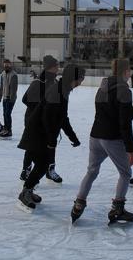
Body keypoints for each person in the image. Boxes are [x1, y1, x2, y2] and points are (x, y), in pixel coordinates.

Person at [71, 58, 133, 225]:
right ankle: (118, 208)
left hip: (95, 136)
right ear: (125, 72)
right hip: (112, 139)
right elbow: (125, 123)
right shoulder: (124, 91)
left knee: (92, 172)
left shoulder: (102, 88)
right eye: (129, 71)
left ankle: (79, 203)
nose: (130, 74)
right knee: (126, 173)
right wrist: (130, 148)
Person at [17, 64, 84, 212]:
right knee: (42, 165)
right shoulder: (58, 91)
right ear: (74, 78)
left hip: (40, 133)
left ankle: (28, 190)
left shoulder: (62, 90)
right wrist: (51, 141)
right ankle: (25, 192)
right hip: (37, 133)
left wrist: (72, 137)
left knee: (42, 164)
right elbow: (48, 118)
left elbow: (62, 118)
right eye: (81, 78)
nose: (81, 82)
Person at [19, 55, 77, 183]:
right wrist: (42, 110)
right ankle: (26, 169)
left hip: (49, 121)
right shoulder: (39, 82)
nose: (58, 68)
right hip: (33, 120)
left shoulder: (56, 83)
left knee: (51, 143)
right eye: (57, 65)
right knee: (32, 146)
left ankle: (50, 170)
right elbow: (25, 99)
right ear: (51, 67)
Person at [0, 59, 18, 138]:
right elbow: (2, 86)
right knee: (4, 114)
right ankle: (5, 128)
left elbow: (14, 89)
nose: (6, 66)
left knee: (7, 114)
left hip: (10, 98)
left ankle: (9, 130)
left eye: (8, 65)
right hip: (4, 97)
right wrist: (0, 96)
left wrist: (11, 99)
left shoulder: (13, 75)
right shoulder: (2, 74)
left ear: (10, 65)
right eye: (5, 65)